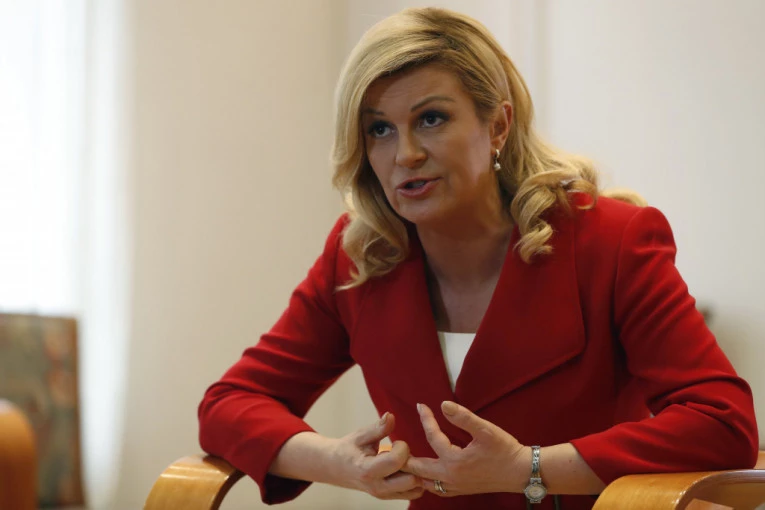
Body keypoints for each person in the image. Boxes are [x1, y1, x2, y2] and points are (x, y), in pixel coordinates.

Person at [198, 7, 759, 510]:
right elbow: (230, 404)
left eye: (431, 119)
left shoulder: (610, 240)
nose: (405, 154)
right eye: (380, 129)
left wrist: (528, 468)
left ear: (497, 126)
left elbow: (721, 421)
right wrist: (337, 463)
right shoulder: (359, 256)